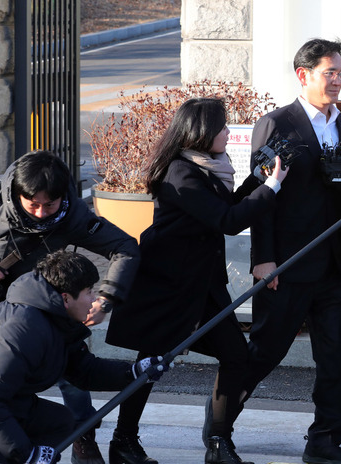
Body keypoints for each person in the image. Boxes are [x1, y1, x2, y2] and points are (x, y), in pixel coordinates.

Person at [105, 97, 286, 464]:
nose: (227, 133)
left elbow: (227, 207)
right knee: (151, 363)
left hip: (202, 285)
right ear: (202, 132)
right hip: (170, 285)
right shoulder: (180, 172)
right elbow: (227, 221)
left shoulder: (209, 166)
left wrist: (258, 178)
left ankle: (219, 443)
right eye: (222, 127)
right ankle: (123, 441)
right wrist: (273, 189)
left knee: (236, 356)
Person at [240, 38, 341, 464]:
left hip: (330, 264)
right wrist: (263, 258)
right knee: (264, 352)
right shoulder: (277, 123)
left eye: (340, 73)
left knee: (333, 358)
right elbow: (261, 195)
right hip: (286, 263)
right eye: (329, 73)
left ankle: (325, 440)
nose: (336, 81)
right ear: (303, 75)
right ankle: (220, 424)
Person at [0, 150, 140, 464]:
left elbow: (125, 248)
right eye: (33, 204)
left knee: (69, 369)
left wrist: (105, 300)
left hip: (44, 304)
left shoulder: (74, 217)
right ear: (16, 193)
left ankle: (81, 436)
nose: (42, 213)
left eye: (50, 205)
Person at [0, 250, 167, 464]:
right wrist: (26, 455)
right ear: (66, 298)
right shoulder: (25, 330)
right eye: (89, 292)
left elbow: (83, 370)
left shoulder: (55, 319)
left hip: (4, 399)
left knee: (58, 421)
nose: (93, 300)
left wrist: (135, 372)